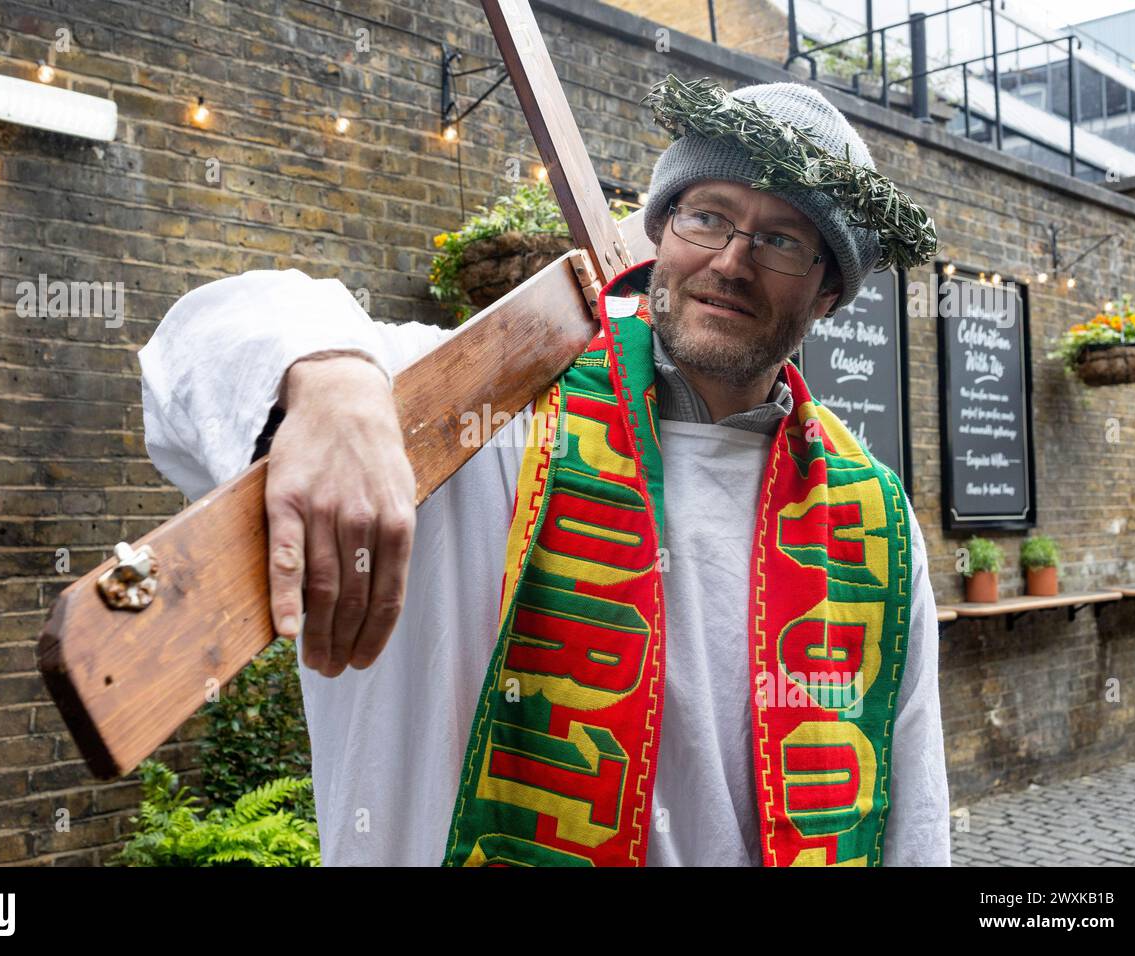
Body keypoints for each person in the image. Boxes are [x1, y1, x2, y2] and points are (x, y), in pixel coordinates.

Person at [139, 76, 951, 866]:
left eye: (782, 240)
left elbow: (911, 819)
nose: (733, 260)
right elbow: (206, 337)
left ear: (828, 295)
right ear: (661, 230)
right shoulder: (477, 418)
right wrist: (333, 384)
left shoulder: (871, 521)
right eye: (709, 215)